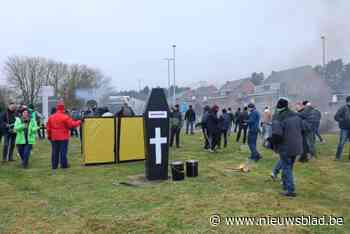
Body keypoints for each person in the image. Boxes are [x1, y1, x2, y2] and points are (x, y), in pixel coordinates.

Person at [270, 98, 306, 197]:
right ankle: (286, 186)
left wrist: (271, 143)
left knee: (286, 167)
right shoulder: (296, 115)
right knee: (289, 166)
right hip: (297, 146)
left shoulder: (278, 117)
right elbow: (303, 129)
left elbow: (277, 134)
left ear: (278, 106)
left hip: (286, 146)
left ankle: (290, 190)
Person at [46, 101, 81, 169]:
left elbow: (48, 128)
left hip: (54, 137)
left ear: (57, 108)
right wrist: (79, 121)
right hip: (63, 137)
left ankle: (54, 165)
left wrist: (49, 136)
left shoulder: (51, 117)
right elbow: (72, 125)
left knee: (54, 152)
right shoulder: (65, 117)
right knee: (63, 152)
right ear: (63, 108)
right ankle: (64, 165)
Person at [334, 96, 350, 161]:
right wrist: (342, 120)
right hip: (344, 128)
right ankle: (338, 157)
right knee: (342, 143)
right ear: (348, 101)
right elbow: (336, 116)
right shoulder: (343, 108)